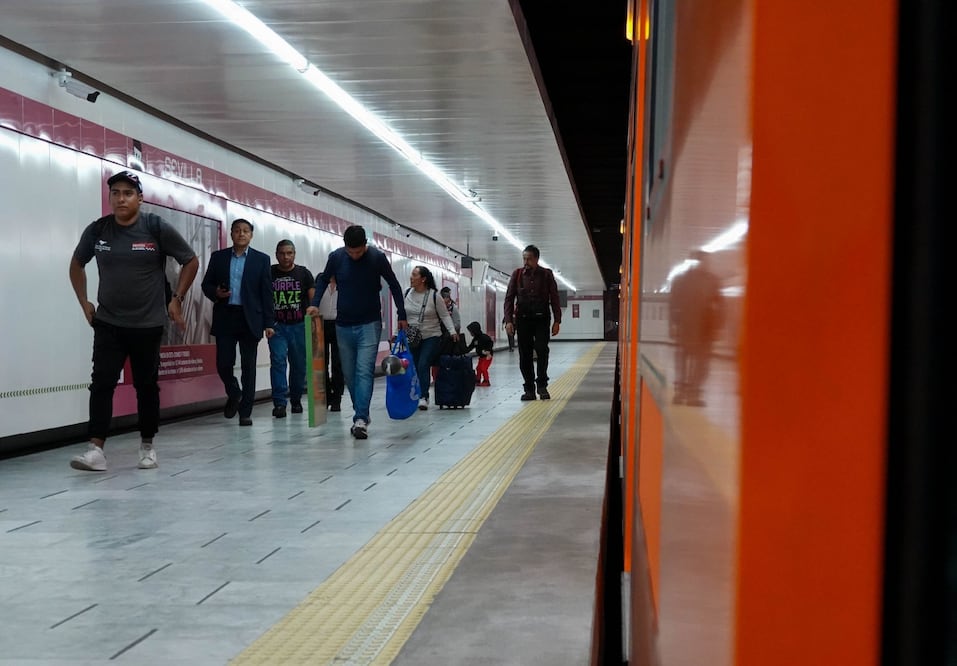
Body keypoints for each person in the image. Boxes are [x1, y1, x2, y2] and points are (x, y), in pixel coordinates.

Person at [68, 170, 199, 471]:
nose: (121, 198)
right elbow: (76, 264)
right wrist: (84, 302)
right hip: (108, 322)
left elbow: (190, 260)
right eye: (115, 193)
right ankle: (95, 449)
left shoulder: (155, 227)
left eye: (128, 193)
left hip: (147, 324)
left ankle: (147, 446)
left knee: (146, 385)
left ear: (139, 198)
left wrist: (177, 298)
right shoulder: (98, 230)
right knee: (101, 383)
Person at [305, 225, 408, 440]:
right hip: (343, 325)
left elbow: (394, 284)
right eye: (350, 252)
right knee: (349, 374)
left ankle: (360, 418)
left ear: (365, 245)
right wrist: (315, 304)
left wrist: (401, 313)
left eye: (358, 252)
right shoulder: (336, 257)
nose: (354, 256)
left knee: (363, 371)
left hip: (369, 324)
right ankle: (361, 412)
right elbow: (323, 279)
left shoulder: (377, 258)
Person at [201, 219, 275, 426]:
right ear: (232, 234)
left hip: (250, 318)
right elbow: (206, 284)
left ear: (251, 235)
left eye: (245, 231)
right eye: (237, 231)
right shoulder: (219, 257)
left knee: (249, 366)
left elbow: (267, 293)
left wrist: (269, 323)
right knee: (223, 363)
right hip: (226, 315)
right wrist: (216, 292)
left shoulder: (261, 259)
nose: (241, 234)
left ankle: (245, 412)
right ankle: (234, 392)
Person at [503, 244, 562, 401]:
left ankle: (542, 386)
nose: (526, 262)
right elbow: (509, 299)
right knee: (525, 354)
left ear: (536, 259)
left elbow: (554, 298)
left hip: (542, 318)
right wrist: (508, 321)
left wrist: (557, 320)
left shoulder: (546, 275)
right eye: (524, 258)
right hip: (523, 319)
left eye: (529, 259)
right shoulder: (517, 275)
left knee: (542, 350)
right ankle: (529, 389)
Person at [669, 250, 724, 406]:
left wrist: (718, 327)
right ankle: (684, 392)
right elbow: (673, 305)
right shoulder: (683, 280)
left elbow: (719, 305)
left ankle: (691, 393)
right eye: (702, 261)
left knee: (696, 363)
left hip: (702, 329)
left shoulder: (709, 281)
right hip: (689, 327)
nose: (704, 264)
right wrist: (673, 325)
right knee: (688, 362)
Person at [268, 240, 315, 418]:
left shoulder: (304, 274)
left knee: (298, 365)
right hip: (277, 326)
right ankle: (280, 403)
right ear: (276, 255)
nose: (286, 257)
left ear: (294, 254)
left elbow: (313, 300)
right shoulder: (269, 273)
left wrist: (313, 321)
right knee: (278, 361)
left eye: (289, 253)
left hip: (299, 326)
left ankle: (296, 399)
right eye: (282, 253)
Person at [404, 266, 459, 410]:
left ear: (423, 279)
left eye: (414, 275)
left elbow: (444, 315)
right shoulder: (407, 293)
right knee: (415, 365)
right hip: (412, 337)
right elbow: (402, 316)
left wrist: (452, 331)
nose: (411, 277)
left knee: (423, 364)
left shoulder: (434, 296)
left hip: (431, 335)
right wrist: (398, 334)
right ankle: (416, 394)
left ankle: (424, 396)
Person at [316, 273, 345, 412]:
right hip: (321, 324)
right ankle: (326, 394)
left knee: (337, 363)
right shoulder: (320, 280)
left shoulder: (344, 281)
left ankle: (337, 397)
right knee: (322, 362)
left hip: (339, 324)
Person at [465, 321, 494, 386]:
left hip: (487, 356)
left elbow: (490, 343)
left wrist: (488, 351)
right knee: (478, 368)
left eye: (471, 332)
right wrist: (464, 350)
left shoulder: (484, 337)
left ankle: (486, 381)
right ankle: (478, 380)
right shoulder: (475, 339)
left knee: (483, 368)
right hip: (481, 357)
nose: (470, 333)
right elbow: (470, 347)